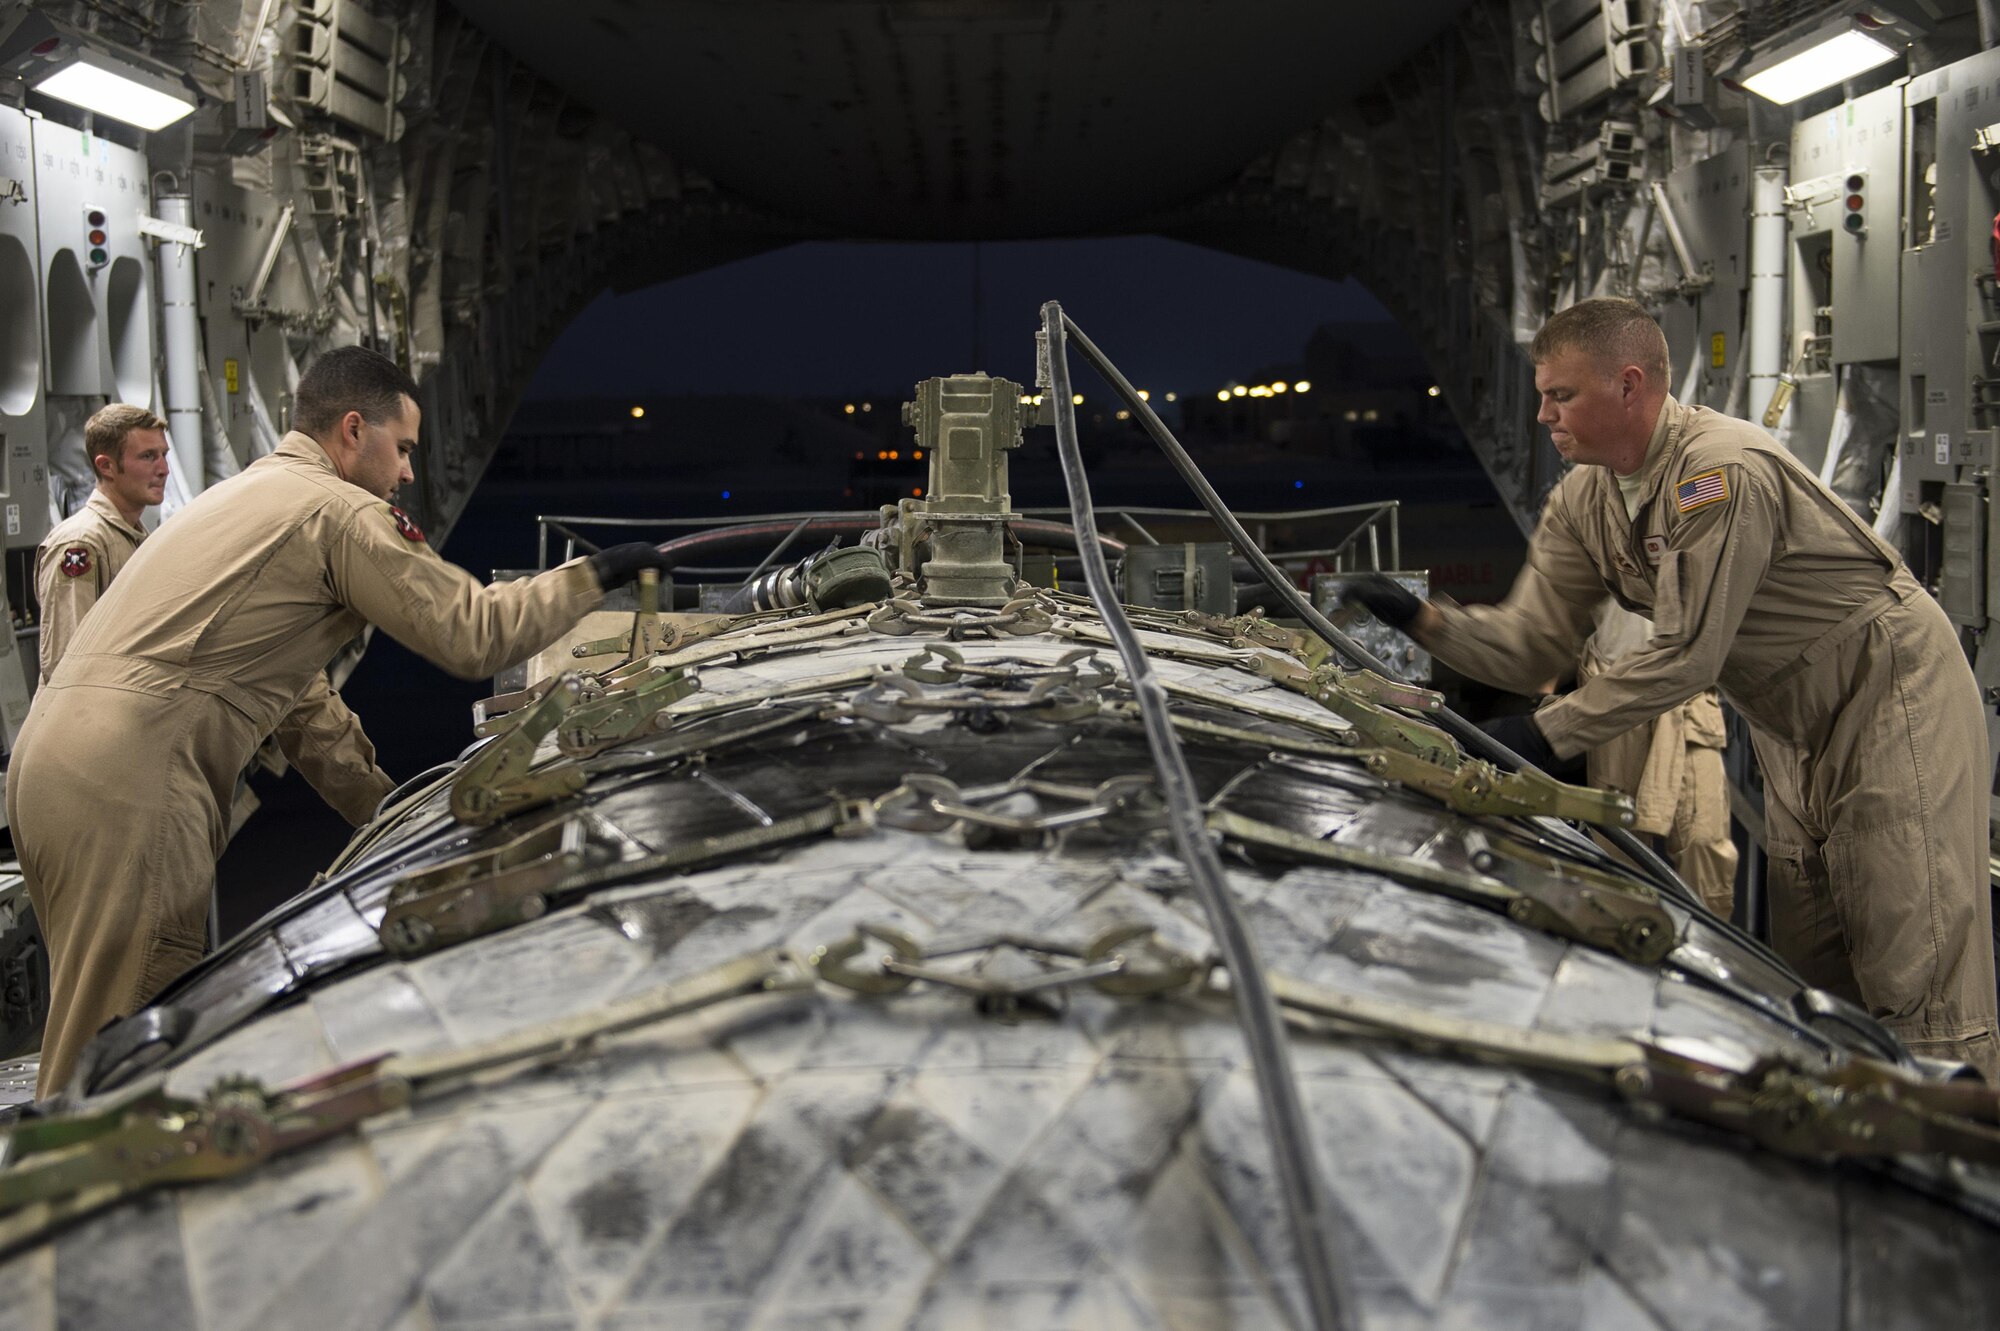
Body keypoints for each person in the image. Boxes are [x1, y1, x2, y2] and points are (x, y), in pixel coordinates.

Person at [1345, 297, 1998, 1078]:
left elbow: (1688, 653)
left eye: (1563, 395)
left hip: (1890, 698)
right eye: (1542, 393)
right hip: (1791, 724)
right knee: (1821, 979)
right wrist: (1427, 623)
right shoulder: (1585, 499)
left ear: (1630, 386)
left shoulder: (1718, 473)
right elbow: (1530, 647)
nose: (1544, 414)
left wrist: (1547, 736)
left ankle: (1962, 1175)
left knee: (1915, 976)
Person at [7, 346, 673, 1096]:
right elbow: (473, 633)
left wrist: (382, 810)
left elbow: (302, 705)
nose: (410, 474)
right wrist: (595, 575)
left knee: (88, 1014)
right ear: (354, 430)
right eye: (405, 449)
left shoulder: (247, 496)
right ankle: (72, 1205)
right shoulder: (338, 511)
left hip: (50, 767)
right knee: (121, 1050)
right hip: (130, 780)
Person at [1576, 601, 1736, 918]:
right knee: (1619, 844)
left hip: (1685, 690)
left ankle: (1708, 953)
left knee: (1704, 840)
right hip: (1613, 683)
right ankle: (1627, 949)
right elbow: (1560, 599)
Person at [33, 404, 171, 682]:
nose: (164, 469)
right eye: (148, 457)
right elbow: (68, 664)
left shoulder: (136, 538)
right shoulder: (80, 544)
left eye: (163, 455)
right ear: (107, 466)